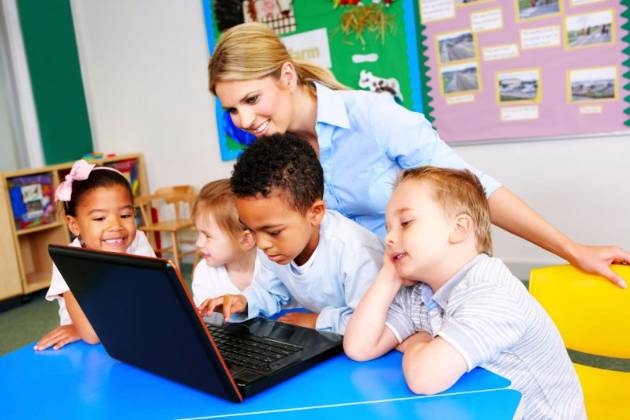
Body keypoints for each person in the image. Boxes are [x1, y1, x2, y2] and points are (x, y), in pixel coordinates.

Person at [207, 22, 630, 287]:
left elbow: (472, 188)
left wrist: (572, 249)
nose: (243, 119)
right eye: (231, 109)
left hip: (426, 290)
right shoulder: (277, 153)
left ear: (286, 76)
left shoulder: (372, 116)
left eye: (251, 98)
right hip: (360, 298)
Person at [344, 166, 586, 419]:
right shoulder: (421, 291)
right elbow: (359, 347)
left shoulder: (493, 293)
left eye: (405, 223)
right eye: (388, 228)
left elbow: (424, 378)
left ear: (459, 228)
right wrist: (388, 277)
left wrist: (418, 340)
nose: (390, 238)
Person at [200, 133, 383, 334]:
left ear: (315, 213)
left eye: (274, 232)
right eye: (252, 229)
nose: (261, 244)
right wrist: (243, 302)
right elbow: (271, 292)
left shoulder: (355, 252)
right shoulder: (274, 246)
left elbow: (374, 322)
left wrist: (318, 321)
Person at [34, 160, 155, 351]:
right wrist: (78, 329)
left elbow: (155, 297)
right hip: (88, 342)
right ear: (74, 225)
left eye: (125, 215)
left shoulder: (138, 240)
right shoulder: (69, 260)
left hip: (131, 330)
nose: (116, 226)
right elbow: (91, 335)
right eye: (99, 218)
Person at [191, 179, 259, 307]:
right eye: (198, 233)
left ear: (246, 240)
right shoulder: (204, 273)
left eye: (207, 235)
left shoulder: (273, 265)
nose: (198, 243)